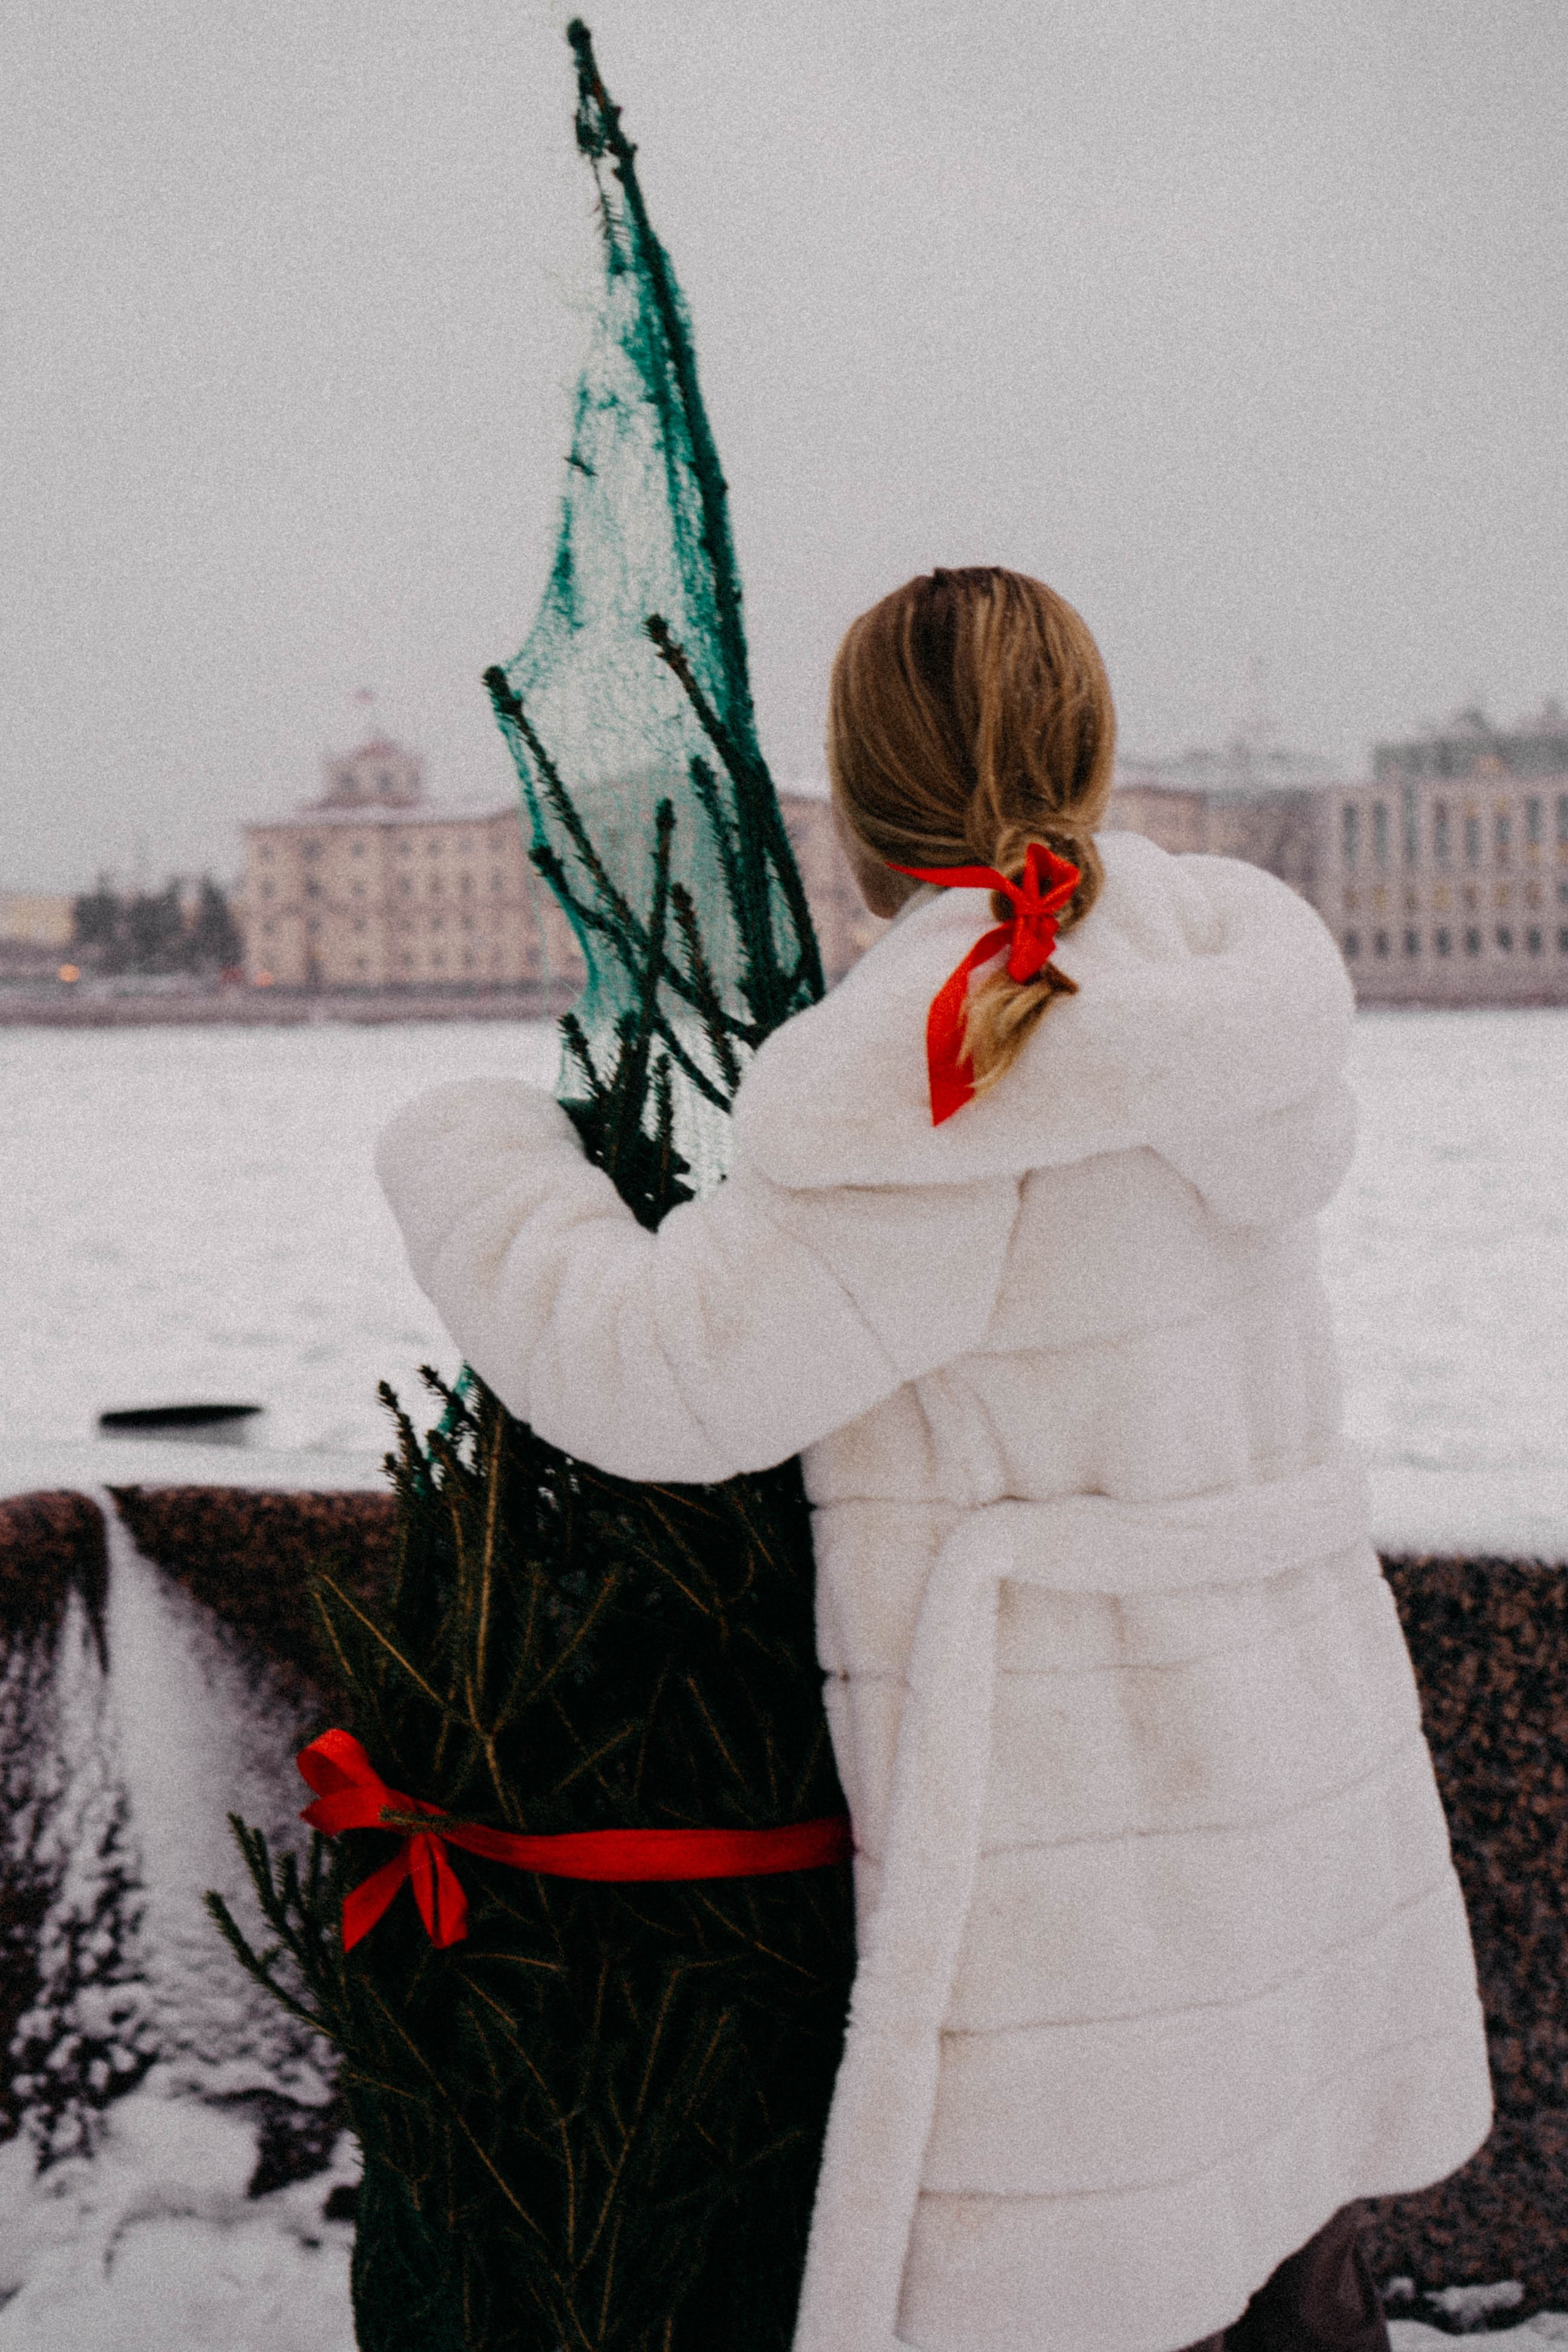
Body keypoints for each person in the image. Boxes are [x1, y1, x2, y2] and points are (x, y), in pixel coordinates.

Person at [376, 567, 1492, 2352]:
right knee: (1288, 2238)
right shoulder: (1212, 1002)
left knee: (1105, 2263)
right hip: (1289, 1762)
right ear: (1092, 749)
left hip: (1074, 1822)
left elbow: (664, 1377)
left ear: (859, 795)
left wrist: (481, 1162)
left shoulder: (930, 1076)